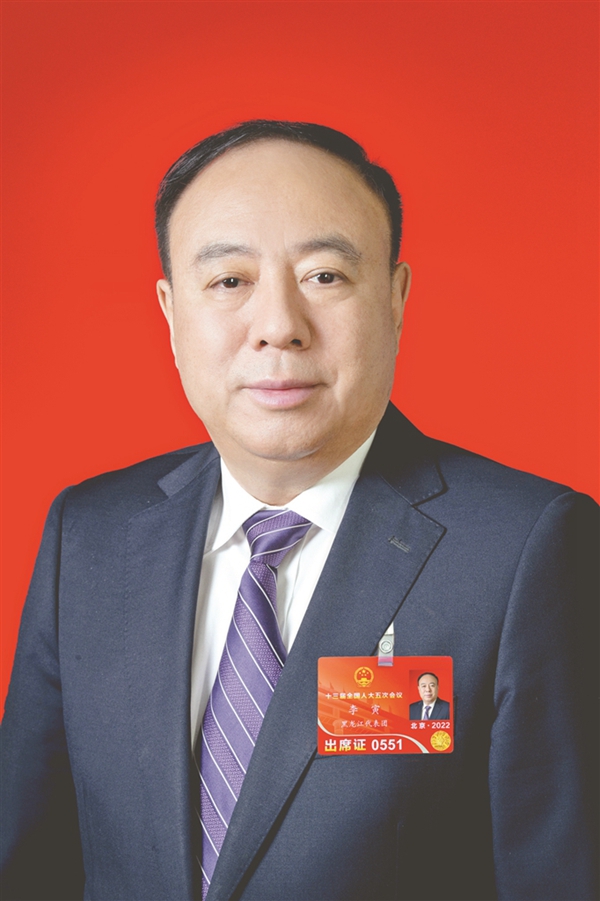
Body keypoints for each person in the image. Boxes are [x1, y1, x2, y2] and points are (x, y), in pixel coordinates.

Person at [1, 120, 598, 901]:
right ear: (171, 312)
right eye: (229, 281)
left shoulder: (525, 548)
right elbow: (27, 866)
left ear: (396, 297)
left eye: (325, 275)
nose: (279, 325)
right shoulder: (90, 536)